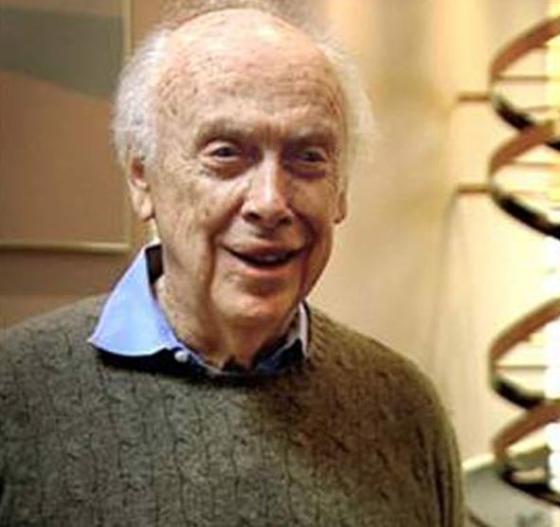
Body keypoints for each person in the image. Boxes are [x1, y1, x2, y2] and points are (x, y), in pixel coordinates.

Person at [0, 2, 464, 525]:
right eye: (226, 153)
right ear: (142, 179)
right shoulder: (16, 392)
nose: (269, 202)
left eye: (308, 157)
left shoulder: (403, 408)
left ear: (341, 191)